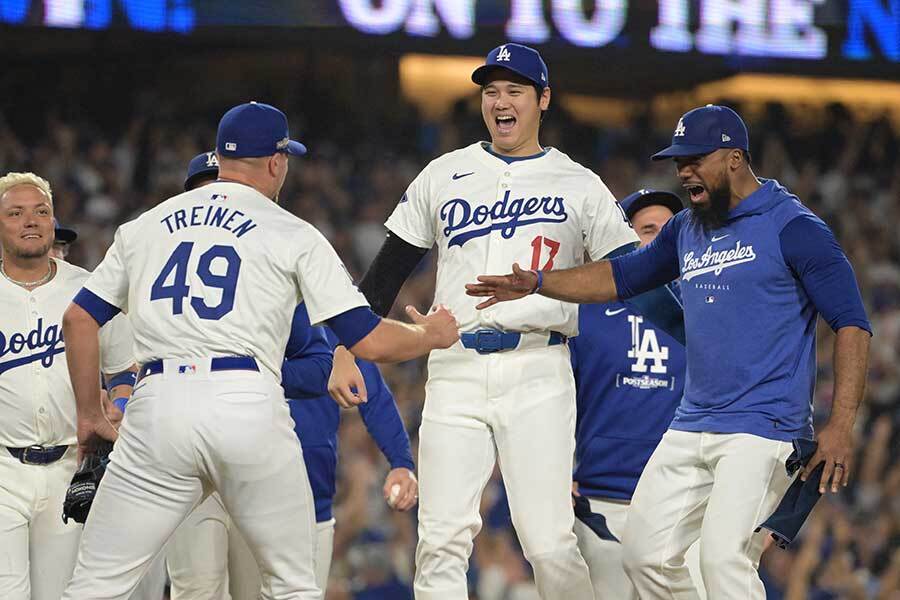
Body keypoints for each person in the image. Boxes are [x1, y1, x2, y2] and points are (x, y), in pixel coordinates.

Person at [465, 104, 872, 599]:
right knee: (644, 556)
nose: (684, 171)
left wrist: (841, 424)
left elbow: (852, 323)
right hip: (693, 422)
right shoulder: (687, 229)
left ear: (735, 159)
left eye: (696, 159)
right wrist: (539, 283)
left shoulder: (793, 227)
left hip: (764, 427)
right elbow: (621, 276)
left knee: (723, 558)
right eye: (679, 161)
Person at [60, 101, 458, 600]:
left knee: (94, 585)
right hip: (245, 401)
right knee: (292, 587)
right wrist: (432, 335)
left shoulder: (144, 226)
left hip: (156, 404)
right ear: (276, 161)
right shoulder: (291, 231)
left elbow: (78, 319)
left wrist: (86, 415)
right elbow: (368, 340)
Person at [333, 43, 639, 599]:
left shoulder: (579, 183)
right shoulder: (445, 173)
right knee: (441, 538)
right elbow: (386, 273)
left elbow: (628, 275)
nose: (501, 102)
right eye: (491, 91)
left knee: (548, 542)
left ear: (543, 100)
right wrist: (345, 348)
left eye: (515, 91)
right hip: (457, 367)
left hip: (540, 366)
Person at [163, 153, 418, 599]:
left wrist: (400, 460)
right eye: (207, 190)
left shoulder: (293, 270)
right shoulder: (169, 287)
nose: (222, 200)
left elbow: (359, 368)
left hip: (297, 491)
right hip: (202, 471)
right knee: (195, 589)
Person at [0, 172, 135, 600]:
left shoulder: (86, 289)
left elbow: (125, 367)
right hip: (2, 467)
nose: (31, 221)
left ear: (54, 221)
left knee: (59, 594)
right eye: (15, 213)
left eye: (41, 212)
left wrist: (121, 404)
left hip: (69, 466)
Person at [569, 188, 693, 599]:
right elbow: (555, 399)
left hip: (681, 504)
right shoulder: (582, 311)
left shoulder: (705, 311)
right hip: (600, 501)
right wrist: (554, 473)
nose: (658, 241)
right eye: (646, 230)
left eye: (668, 232)